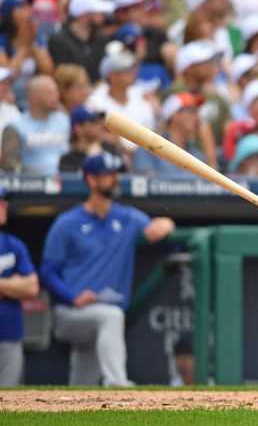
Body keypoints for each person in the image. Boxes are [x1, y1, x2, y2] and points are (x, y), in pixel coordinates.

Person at [40, 152, 175, 386]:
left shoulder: (127, 217)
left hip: (102, 312)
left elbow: (161, 234)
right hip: (71, 313)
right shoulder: (67, 222)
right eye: (108, 175)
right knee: (110, 317)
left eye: (116, 174)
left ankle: (73, 411)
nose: (115, 179)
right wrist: (73, 297)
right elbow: (47, 272)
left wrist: (167, 223)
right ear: (91, 180)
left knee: (83, 383)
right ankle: (117, 381)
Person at [0, 186, 39, 386]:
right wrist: (11, 284)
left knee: (9, 405)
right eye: (0, 202)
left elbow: (32, 287)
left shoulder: (13, 245)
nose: (5, 205)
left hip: (9, 335)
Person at [1, 74, 70, 174]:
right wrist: (32, 173)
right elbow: (10, 165)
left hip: (67, 178)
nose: (57, 96)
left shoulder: (64, 120)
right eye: (51, 93)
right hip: (31, 183)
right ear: (34, 97)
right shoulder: (16, 127)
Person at [132, 92, 205, 176]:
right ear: (175, 115)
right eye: (192, 112)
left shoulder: (197, 155)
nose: (197, 118)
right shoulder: (149, 149)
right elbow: (145, 183)